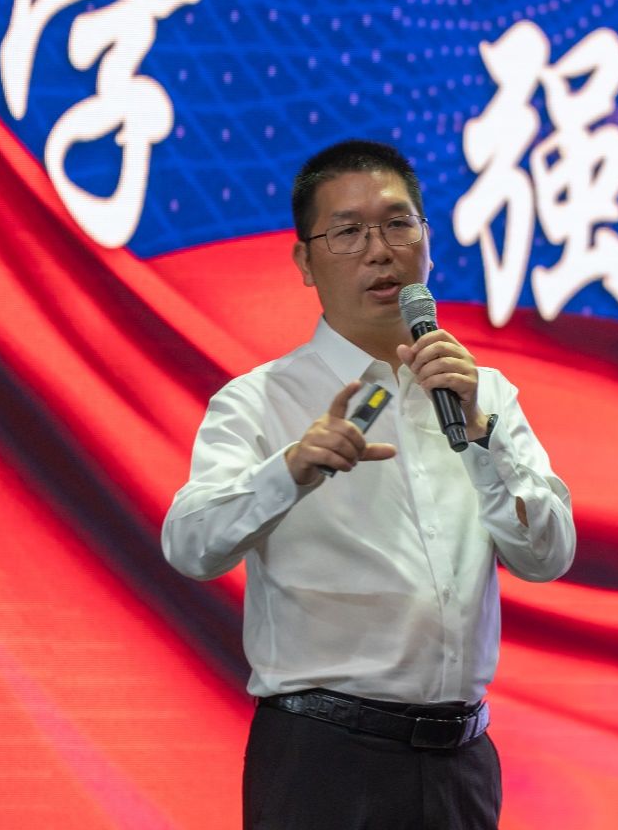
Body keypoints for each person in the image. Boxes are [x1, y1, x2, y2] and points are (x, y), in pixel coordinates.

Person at [161, 139, 575, 829]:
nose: (380, 251)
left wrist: (481, 433)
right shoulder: (258, 400)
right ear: (305, 262)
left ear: (427, 242)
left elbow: (547, 555)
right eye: (348, 232)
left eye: (397, 224)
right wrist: (290, 471)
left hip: (462, 764)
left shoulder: (486, 393)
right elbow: (189, 544)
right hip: (325, 763)